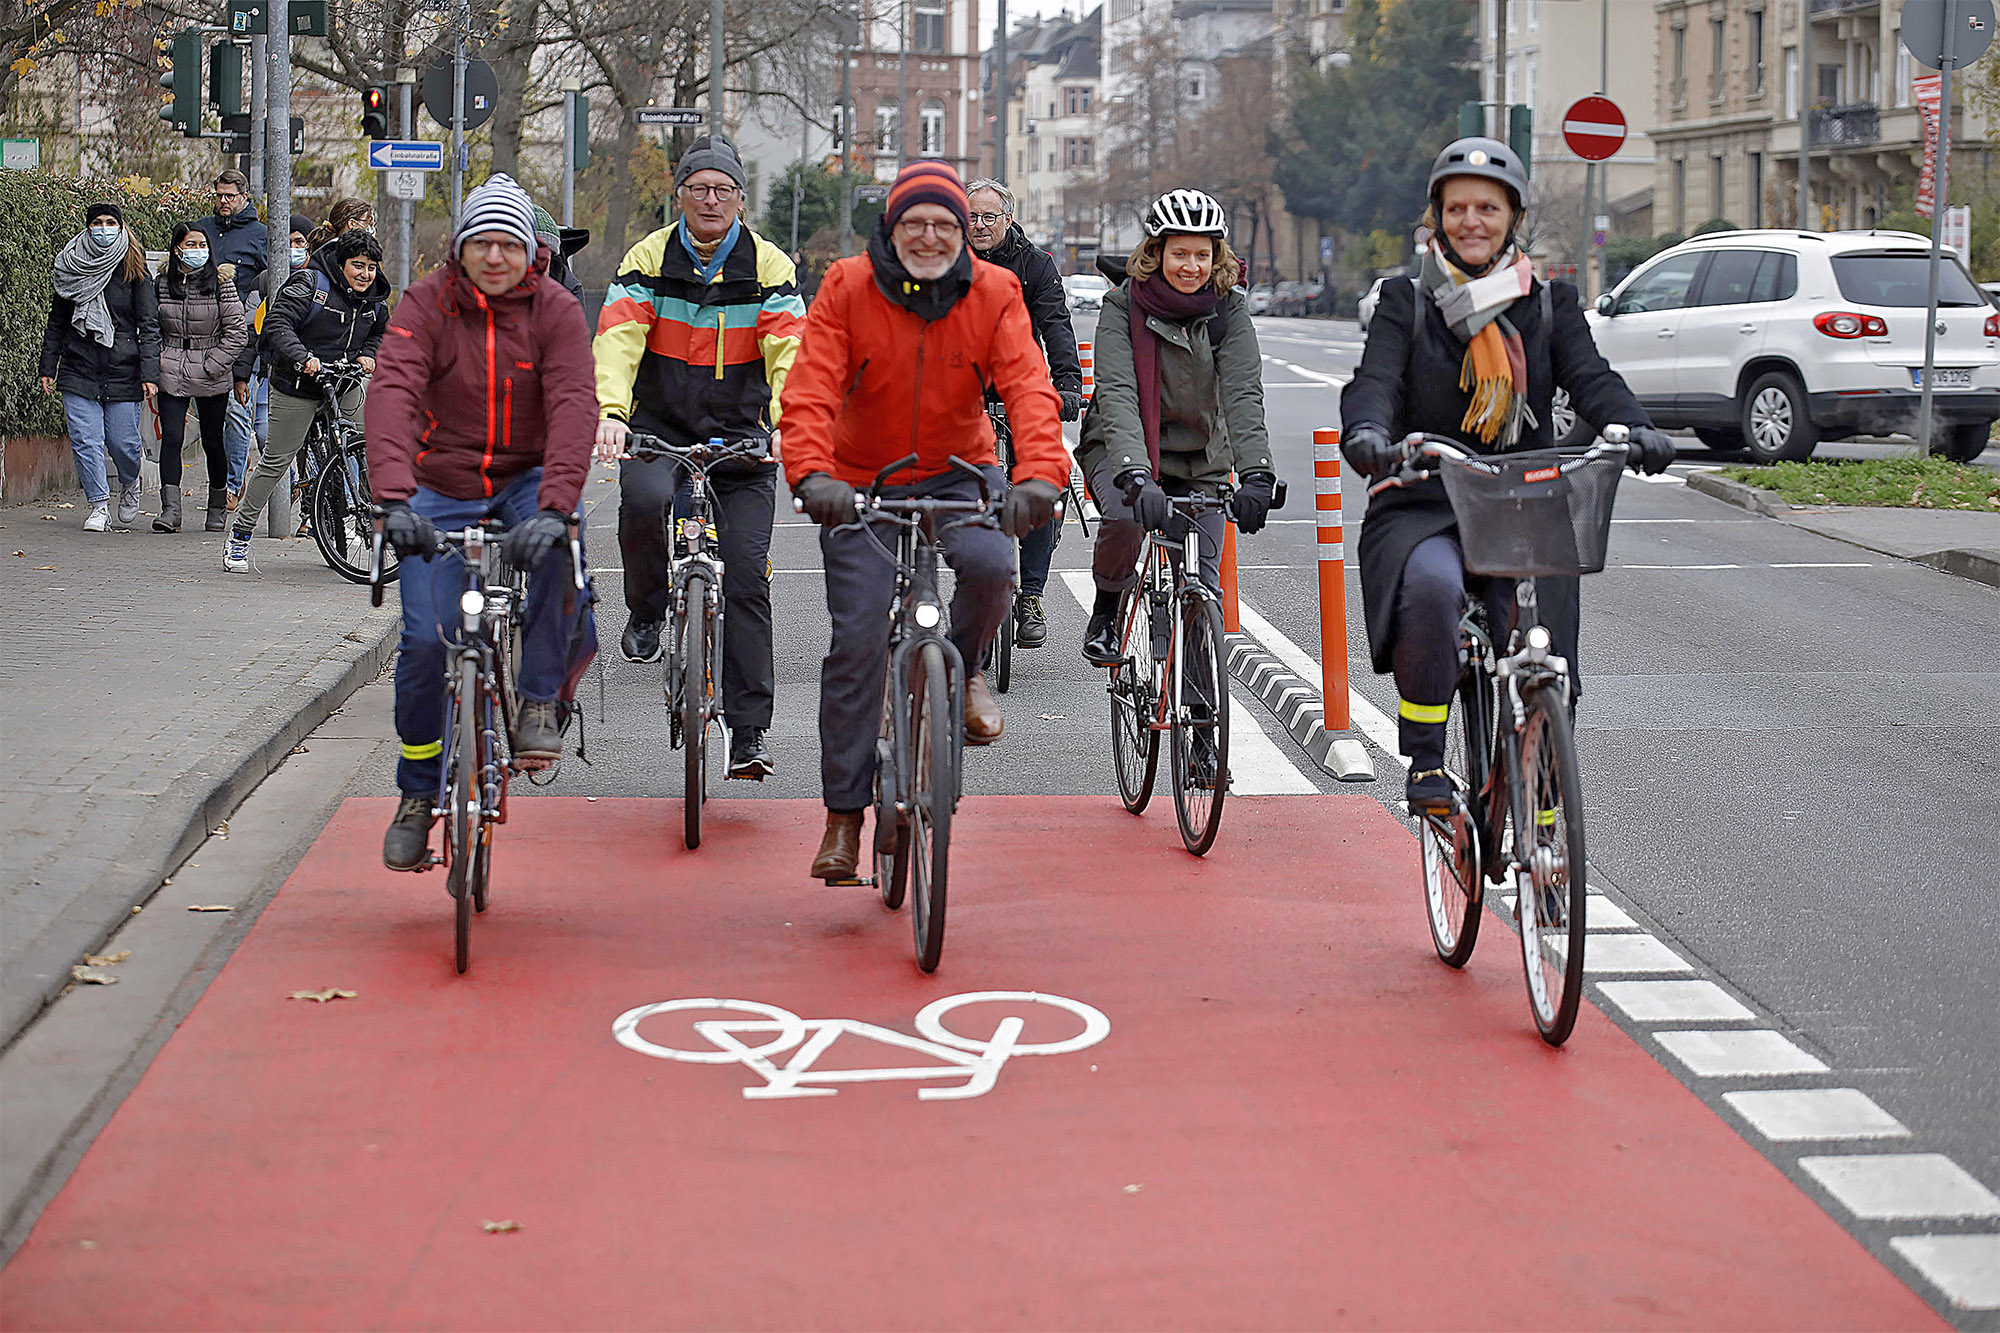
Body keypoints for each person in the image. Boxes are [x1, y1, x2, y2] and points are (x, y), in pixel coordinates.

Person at [1337, 136, 1676, 812]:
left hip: (1522, 499)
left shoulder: (1548, 303)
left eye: (1487, 208)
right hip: (1426, 494)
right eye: (1456, 207)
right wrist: (1370, 433)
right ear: (1436, 217)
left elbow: (1591, 379)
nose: (1471, 221)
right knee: (1430, 590)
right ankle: (1429, 763)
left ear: (1511, 216)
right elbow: (1373, 381)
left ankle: (1542, 796)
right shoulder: (1406, 300)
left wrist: (1634, 425)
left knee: (1543, 644)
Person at [780, 160, 1068, 881]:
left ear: (964, 237)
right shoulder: (847, 286)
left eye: (946, 224)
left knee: (994, 565)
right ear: (891, 229)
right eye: (915, 223)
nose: (931, 235)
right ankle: (844, 818)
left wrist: (1037, 477)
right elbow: (811, 386)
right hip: (860, 481)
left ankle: (966, 670)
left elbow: (1029, 390)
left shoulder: (996, 291)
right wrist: (812, 475)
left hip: (959, 471)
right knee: (854, 642)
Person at [366, 172, 600, 871]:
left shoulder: (555, 310)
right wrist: (395, 499)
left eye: (509, 244)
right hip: (441, 482)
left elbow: (573, 406)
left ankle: (536, 702)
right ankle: (415, 793)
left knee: (564, 556)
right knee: (423, 641)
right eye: (481, 243)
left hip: (529, 477)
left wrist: (556, 507)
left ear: (530, 250)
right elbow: (394, 390)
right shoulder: (425, 304)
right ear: (460, 248)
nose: (495, 257)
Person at [592, 133, 802, 781]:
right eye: (698, 188)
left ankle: (748, 733)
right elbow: (620, 340)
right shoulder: (647, 258)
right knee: (644, 501)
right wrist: (613, 415)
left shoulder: (769, 266)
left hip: (742, 438)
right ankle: (649, 607)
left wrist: (786, 423)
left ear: (740, 199)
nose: (711, 199)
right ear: (678, 194)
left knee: (746, 578)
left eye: (723, 189)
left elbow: (791, 350)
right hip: (661, 428)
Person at [223, 229, 389, 572]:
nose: (365, 274)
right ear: (341, 264)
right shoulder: (310, 284)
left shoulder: (375, 298)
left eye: (372, 267)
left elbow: (380, 331)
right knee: (277, 460)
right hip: (297, 383)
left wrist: (369, 354)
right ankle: (239, 536)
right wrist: (303, 357)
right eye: (358, 265)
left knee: (368, 446)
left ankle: (376, 521)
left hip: (342, 380)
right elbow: (277, 323)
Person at [964, 178, 1084, 650]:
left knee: (1047, 484)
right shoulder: (948, 261)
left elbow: (1055, 322)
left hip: (1020, 386)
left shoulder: (1035, 266)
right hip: (961, 389)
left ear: (1008, 220)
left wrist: (1068, 384)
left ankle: (1030, 594)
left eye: (989, 217)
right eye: (972, 216)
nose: (979, 225)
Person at [39, 201, 159, 532]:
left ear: (120, 227)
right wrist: (48, 366)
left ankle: (129, 481)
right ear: (88, 226)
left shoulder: (133, 267)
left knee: (123, 443)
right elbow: (57, 321)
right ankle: (98, 504)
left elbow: (149, 324)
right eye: (97, 223)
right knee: (85, 438)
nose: (103, 229)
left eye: (110, 223)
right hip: (79, 366)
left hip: (123, 368)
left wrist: (150, 373)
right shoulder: (71, 265)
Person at [153, 221, 247, 533]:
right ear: (177, 249)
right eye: (190, 245)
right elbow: (151, 326)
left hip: (210, 368)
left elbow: (237, 332)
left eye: (201, 245)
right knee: (172, 438)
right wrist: (157, 363)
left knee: (212, 440)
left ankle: (217, 507)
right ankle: (170, 510)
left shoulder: (222, 283)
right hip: (172, 365)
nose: (197, 251)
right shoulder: (163, 283)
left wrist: (214, 364)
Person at [196, 169, 268, 500]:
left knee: (239, 415)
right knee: (209, 415)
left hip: (242, 335)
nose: (223, 201)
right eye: (219, 195)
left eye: (230, 196)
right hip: (201, 334)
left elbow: (272, 283)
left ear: (244, 197)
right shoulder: (201, 230)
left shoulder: (260, 235)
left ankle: (232, 486)